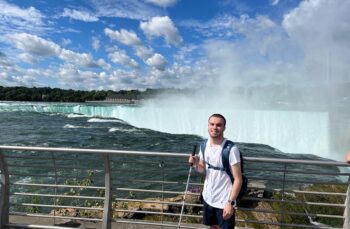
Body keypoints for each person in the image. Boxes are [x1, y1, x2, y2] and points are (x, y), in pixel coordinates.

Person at [189, 113, 243, 229]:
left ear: (224, 127)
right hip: (208, 198)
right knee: (212, 227)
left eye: (219, 125)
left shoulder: (232, 150)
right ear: (208, 126)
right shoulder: (204, 145)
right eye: (212, 124)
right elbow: (202, 169)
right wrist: (194, 164)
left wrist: (230, 203)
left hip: (224, 201)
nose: (215, 127)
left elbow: (238, 179)